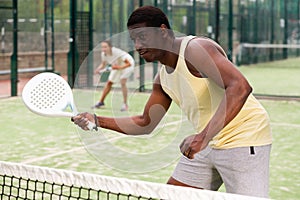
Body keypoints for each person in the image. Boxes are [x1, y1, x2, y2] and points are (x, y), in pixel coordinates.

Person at [72, 6, 272, 198]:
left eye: (142, 37)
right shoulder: (162, 79)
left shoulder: (196, 49)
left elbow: (240, 86)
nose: (138, 46)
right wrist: (97, 120)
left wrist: (202, 137)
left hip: (245, 139)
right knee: (172, 196)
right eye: (134, 39)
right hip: (207, 142)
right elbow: (145, 123)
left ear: (163, 31)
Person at [93, 40, 135, 111]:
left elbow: (128, 64)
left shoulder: (117, 52)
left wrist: (118, 68)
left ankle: (125, 105)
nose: (104, 49)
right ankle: (101, 102)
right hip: (118, 65)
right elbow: (103, 64)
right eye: (102, 47)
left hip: (128, 65)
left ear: (110, 47)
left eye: (105, 47)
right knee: (109, 83)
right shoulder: (103, 54)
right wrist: (98, 69)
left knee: (122, 82)